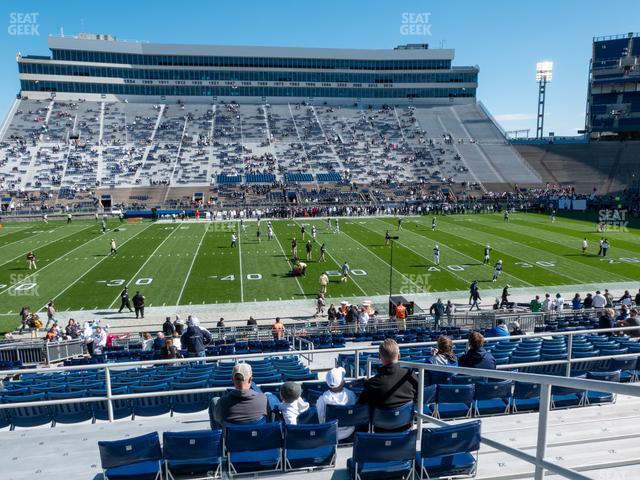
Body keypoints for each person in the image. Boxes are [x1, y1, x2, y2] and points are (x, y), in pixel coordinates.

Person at [358, 339, 417, 431]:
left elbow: (361, 405)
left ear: (379, 357)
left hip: (380, 433)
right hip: (406, 433)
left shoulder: (372, 383)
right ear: (399, 356)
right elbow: (419, 398)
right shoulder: (410, 376)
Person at [316, 367, 358, 440]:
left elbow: (321, 419)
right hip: (349, 431)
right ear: (343, 382)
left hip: (330, 432)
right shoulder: (351, 394)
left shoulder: (323, 398)